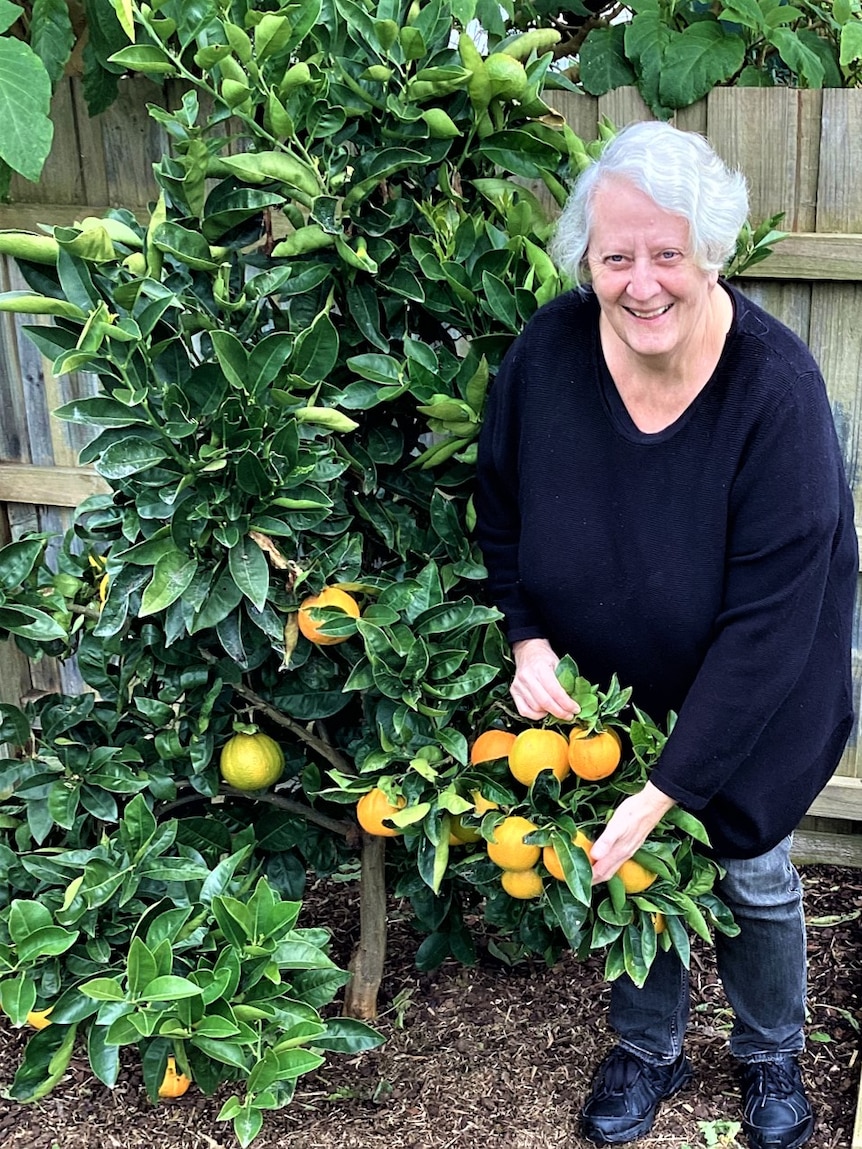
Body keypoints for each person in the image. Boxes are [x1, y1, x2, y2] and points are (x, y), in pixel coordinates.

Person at [474, 120, 857, 1149]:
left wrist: (668, 786)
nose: (642, 282)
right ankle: (649, 1046)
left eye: (666, 254)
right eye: (615, 257)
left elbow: (774, 623)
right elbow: (499, 505)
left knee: (752, 871)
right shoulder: (547, 355)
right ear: (585, 261)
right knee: (630, 874)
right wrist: (527, 640)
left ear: (712, 252)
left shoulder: (773, 392)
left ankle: (768, 1047)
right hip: (608, 691)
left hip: (758, 686)